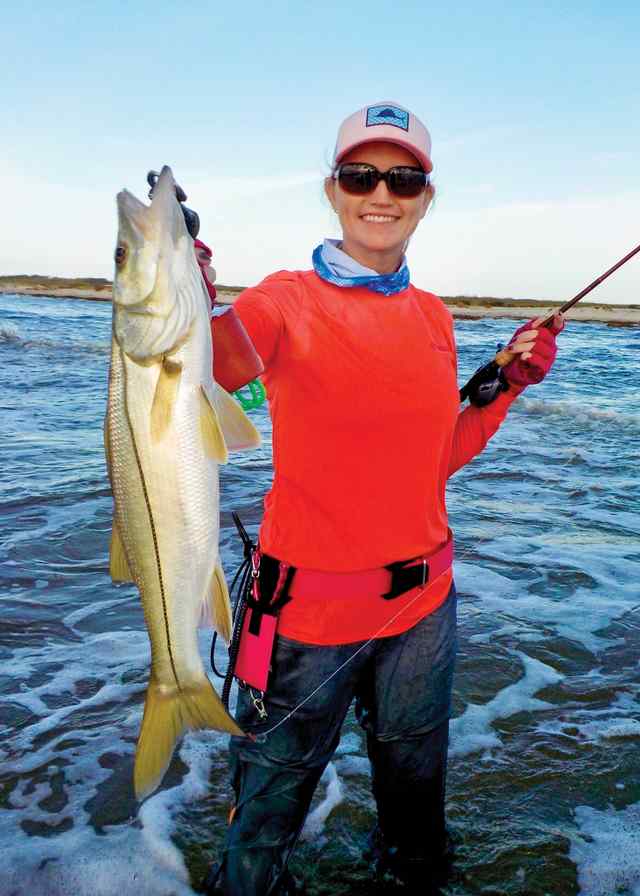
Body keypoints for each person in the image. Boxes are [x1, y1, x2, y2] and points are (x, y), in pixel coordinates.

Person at [204, 102, 563, 895]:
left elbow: (435, 460)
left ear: (426, 197)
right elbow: (213, 367)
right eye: (360, 175)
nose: (381, 194)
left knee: (417, 829)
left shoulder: (432, 315)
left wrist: (503, 385)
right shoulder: (283, 298)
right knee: (261, 828)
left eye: (403, 178)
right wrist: (184, 291)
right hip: (305, 620)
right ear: (332, 189)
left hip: (422, 613)